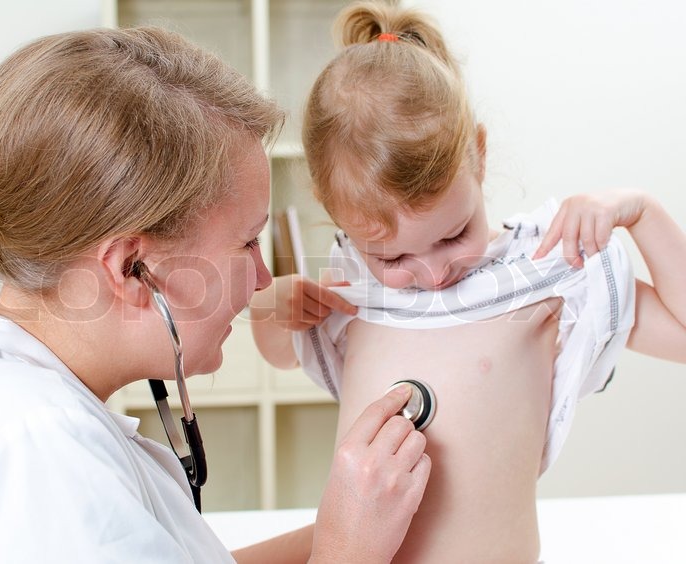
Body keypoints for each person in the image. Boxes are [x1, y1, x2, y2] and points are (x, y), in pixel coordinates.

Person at [0, 26, 433, 564]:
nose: (264, 278)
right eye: (246, 242)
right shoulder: (37, 465)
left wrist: (342, 528)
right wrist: (347, 554)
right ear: (129, 268)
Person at [250, 1, 686, 562]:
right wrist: (271, 307)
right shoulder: (352, 284)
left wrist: (642, 212)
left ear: (478, 157)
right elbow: (280, 355)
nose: (432, 274)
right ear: (338, 217)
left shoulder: (550, 271)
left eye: (455, 235)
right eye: (393, 256)